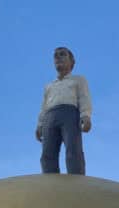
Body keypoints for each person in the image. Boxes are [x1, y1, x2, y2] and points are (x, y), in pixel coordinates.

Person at [36, 46, 92, 175]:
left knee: (73, 149)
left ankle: (76, 180)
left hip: (69, 114)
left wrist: (86, 115)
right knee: (47, 153)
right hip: (50, 117)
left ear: (72, 62)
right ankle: (50, 181)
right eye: (55, 55)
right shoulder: (49, 86)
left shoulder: (78, 80)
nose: (58, 57)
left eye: (62, 54)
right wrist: (40, 125)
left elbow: (84, 97)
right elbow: (44, 107)